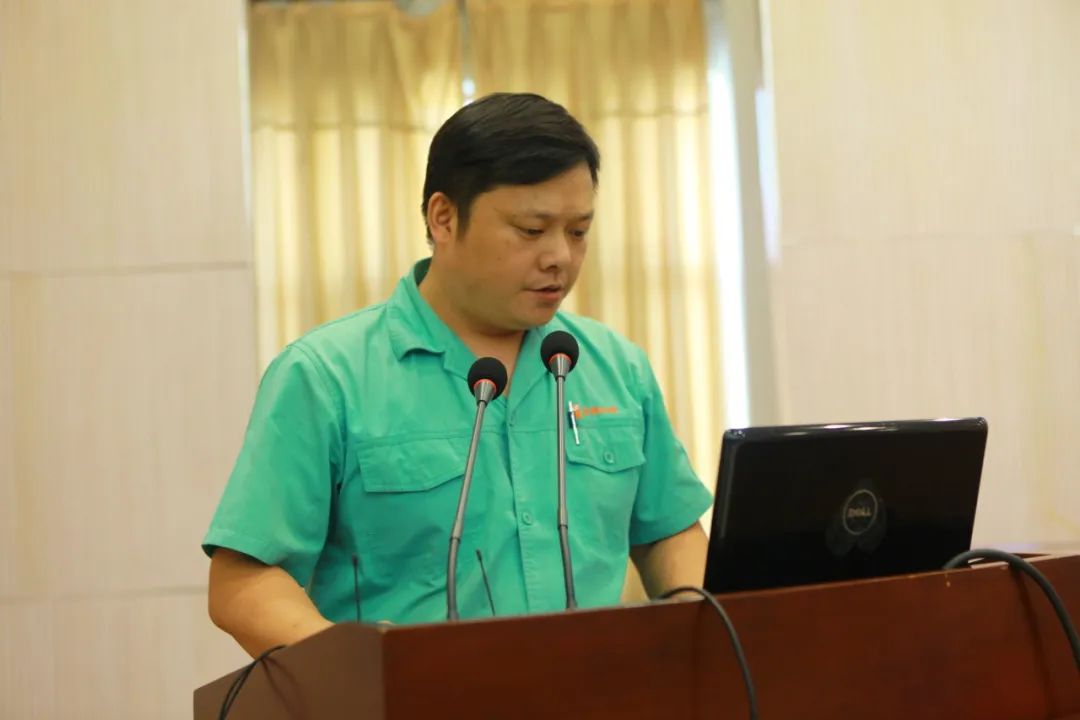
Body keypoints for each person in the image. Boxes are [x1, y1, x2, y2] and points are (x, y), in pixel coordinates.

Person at [204, 92, 713, 657]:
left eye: (577, 232)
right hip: (412, 696)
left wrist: (699, 634)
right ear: (443, 218)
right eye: (531, 229)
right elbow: (243, 582)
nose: (560, 257)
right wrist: (365, 672)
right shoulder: (326, 377)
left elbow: (669, 532)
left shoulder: (614, 367)